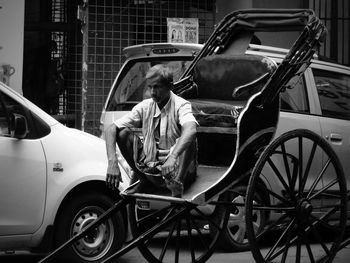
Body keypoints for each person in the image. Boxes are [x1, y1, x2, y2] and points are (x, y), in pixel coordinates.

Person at [105, 64, 198, 197]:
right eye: (150, 87)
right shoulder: (145, 106)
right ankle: (143, 180)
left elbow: (191, 130)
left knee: (190, 137)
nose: (153, 92)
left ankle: (178, 184)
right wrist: (112, 162)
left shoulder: (181, 105)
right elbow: (111, 128)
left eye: (157, 87)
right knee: (123, 134)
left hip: (178, 169)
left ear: (170, 87)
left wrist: (173, 157)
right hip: (154, 167)